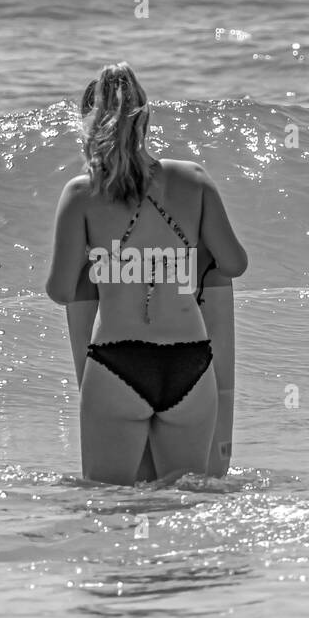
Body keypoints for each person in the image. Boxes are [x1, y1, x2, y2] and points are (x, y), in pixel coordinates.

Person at [46, 63, 247, 485]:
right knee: (185, 502)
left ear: (89, 125)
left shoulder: (82, 193)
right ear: (147, 118)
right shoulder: (193, 179)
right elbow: (234, 264)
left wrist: (100, 260)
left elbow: (62, 290)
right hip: (189, 362)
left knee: (108, 505)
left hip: (117, 362)